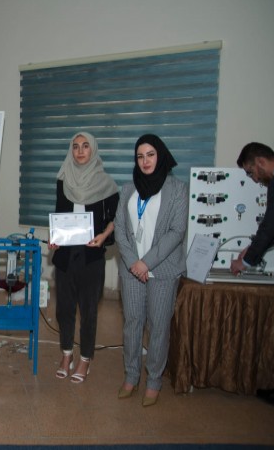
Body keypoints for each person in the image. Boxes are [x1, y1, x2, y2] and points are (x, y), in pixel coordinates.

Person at [115, 134, 188, 407]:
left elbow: (176, 232)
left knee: (158, 326)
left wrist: (146, 263)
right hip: (131, 270)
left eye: (150, 155)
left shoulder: (177, 189)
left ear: (161, 156)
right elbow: (120, 229)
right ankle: (131, 376)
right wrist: (134, 263)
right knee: (132, 323)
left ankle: (154, 380)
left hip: (163, 270)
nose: (145, 161)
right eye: (140, 156)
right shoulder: (128, 190)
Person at [49, 132, 119, 383]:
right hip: (66, 255)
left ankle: (85, 358)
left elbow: (115, 219)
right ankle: (66, 354)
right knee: (64, 309)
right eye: (76, 146)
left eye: (85, 146)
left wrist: (104, 236)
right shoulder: (63, 179)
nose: (80, 151)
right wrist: (54, 236)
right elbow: (59, 213)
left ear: (93, 150)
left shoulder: (106, 183)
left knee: (89, 311)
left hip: (91, 256)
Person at [230, 142, 274, 410]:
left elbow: (271, 225)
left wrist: (246, 261)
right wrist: (252, 250)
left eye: (251, 173)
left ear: (260, 162)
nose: (254, 179)